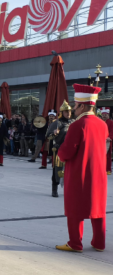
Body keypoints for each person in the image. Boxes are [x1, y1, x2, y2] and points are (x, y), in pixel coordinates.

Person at [56, 84, 107, 253]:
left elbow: (68, 151)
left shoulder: (77, 125)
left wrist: (59, 152)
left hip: (80, 172)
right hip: (99, 173)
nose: (74, 109)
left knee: (75, 207)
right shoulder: (102, 124)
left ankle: (75, 243)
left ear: (82, 105)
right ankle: (99, 243)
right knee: (98, 207)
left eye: (75, 105)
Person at [46, 101, 72, 198]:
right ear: (62, 112)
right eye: (66, 112)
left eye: (69, 112)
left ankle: (69, 190)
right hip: (59, 150)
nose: (68, 114)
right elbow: (48, 136)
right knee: (57, 170)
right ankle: (54, 189)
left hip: (70, 150)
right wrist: (54, 133)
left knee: (71, 171)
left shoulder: (73, 122)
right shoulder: (56, 123)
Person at [101, 107, 113, 175]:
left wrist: (110, 137)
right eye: (103, 114)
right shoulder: (100, 121)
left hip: (108, 141)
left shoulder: (111, 122)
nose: (104, 115)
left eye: (106, 114)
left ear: (108, 115)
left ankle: (108, 169)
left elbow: (112, 131)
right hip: (101, 140)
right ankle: (102, 168)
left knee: (108, 156)